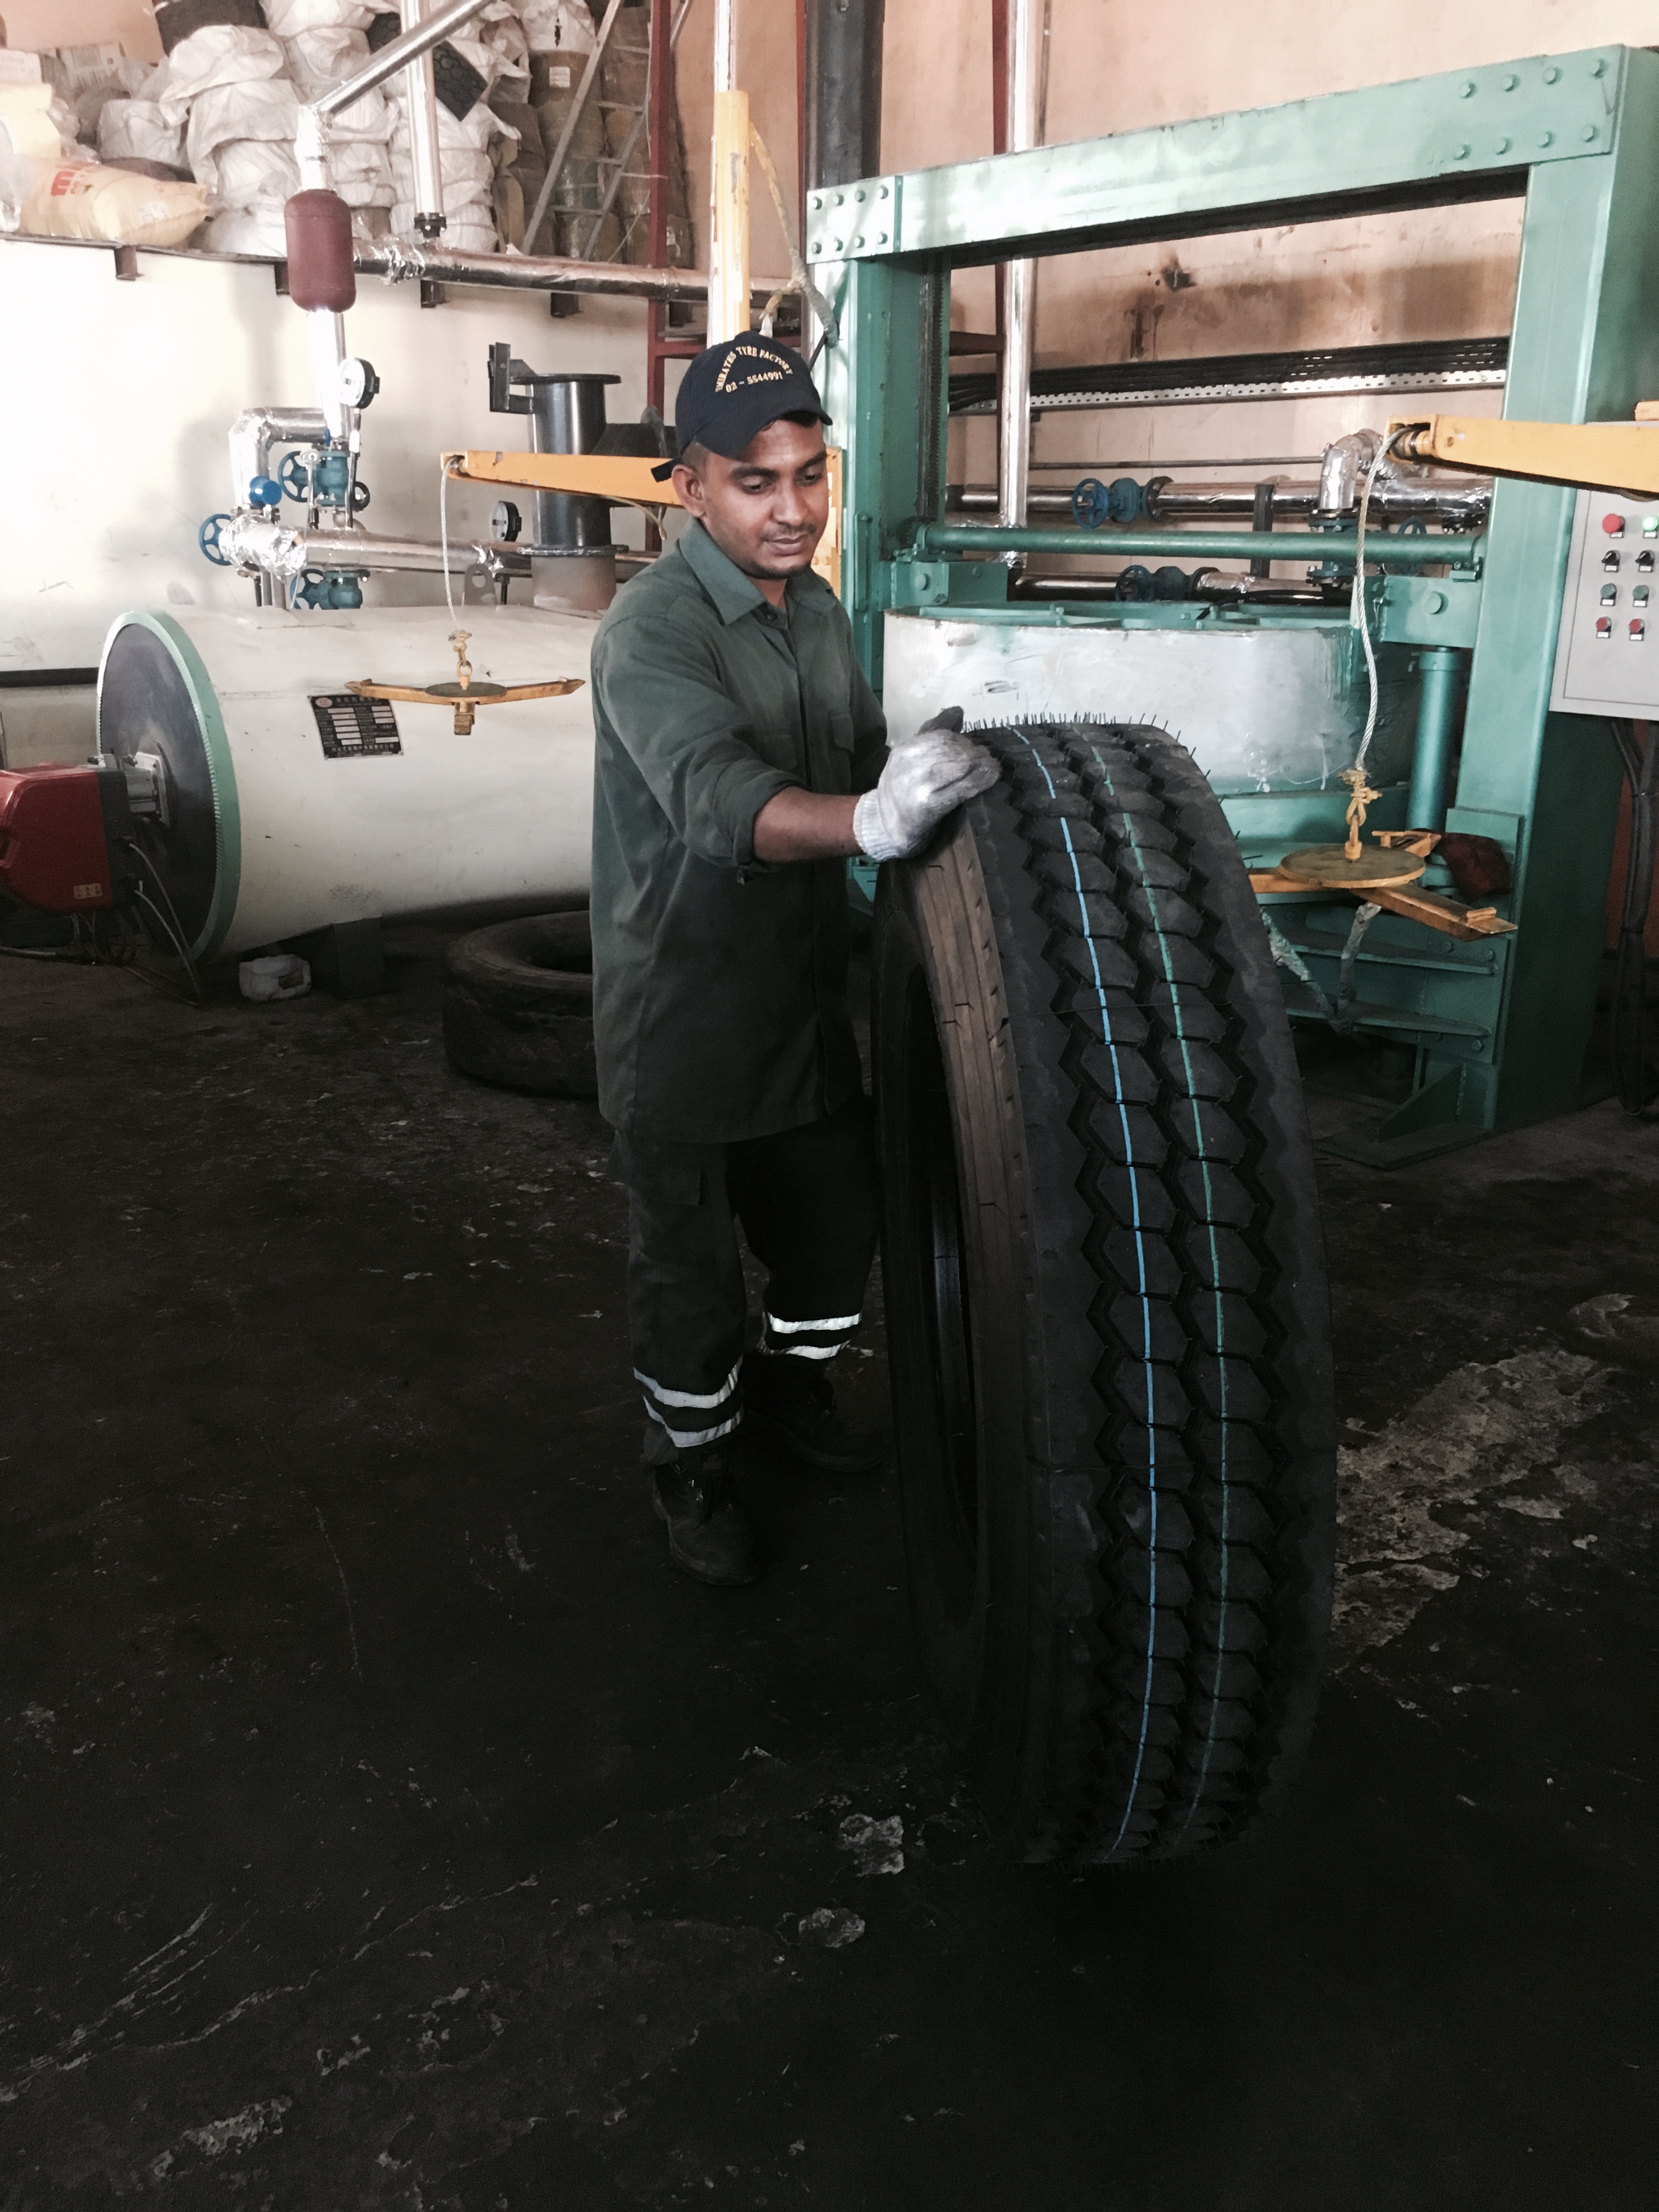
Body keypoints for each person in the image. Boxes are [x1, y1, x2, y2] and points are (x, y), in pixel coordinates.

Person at [588, 332, 996, 1587]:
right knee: (689, 1278)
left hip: (809, 1005)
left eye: (810, 476)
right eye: (755, 481)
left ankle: (788, 1389)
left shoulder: (815, 609)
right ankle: (691, 1462)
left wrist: (910, 778)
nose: (793, 509)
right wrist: (871, 821)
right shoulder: (651, 633)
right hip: (685, 1017)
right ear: (690, 487)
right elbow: (721, 800)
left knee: (834, 1233)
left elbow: (861, 755)